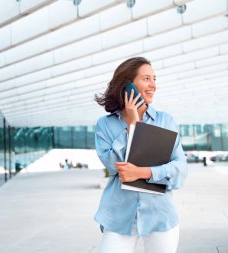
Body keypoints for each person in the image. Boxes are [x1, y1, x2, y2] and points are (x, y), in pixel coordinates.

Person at [94, 57, 188, 253]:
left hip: (161, 216)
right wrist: (133, 125)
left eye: (154, 78)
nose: (153, 85)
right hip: (118, 216)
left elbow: (180, 170)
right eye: (146, 78)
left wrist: (143, 172)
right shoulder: (105, 124)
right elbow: (112, 166)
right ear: (128, 84)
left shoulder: (165, 121)